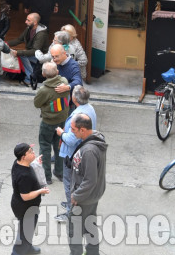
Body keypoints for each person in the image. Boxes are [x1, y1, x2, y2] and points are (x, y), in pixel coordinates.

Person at [55, 85, 96, 222]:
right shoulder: (90, 109)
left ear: (74, 98)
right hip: (83, 151)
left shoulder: (76, 117)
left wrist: (62, 134)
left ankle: (70, 213)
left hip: (73, 155)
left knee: (69, 184)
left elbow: (71, 140)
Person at [68, 114, 107, 255]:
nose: (71, 131)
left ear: (83, 130)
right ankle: (92, 252)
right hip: (92, 196)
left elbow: (90, 180)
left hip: (84, 197)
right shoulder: (94, 139)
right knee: (90, 223)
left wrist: (76, 196)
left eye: (73, 129)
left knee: (74, 231)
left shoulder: (89, 151)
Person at [33, 61, 69, 185]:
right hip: (62, 120)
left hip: (48, 122)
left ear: (43, 74)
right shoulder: (64, 82)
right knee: (59, 146)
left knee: (45, 147)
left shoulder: (44, 90)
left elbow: (37, 103)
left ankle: (46, 176)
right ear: (57, 72)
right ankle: (59, 172)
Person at [10, 143, 50, 255]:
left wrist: (35, 162)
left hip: (21, 205)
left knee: (27, 231)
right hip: (26, 208)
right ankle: (17, 252)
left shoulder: (18, 163)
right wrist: (40, 191)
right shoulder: (24, 175)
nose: (33, 153)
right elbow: (25, 196)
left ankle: (28, 248)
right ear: (23, 157)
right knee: (25, 233)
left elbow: (29, 165)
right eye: (30, 152)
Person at [8, 13, 49, 87]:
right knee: (22, 54)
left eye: (28, 20)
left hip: (41, 57)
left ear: (35, 22)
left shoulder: (41, 34)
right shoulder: (29, 28)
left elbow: (35, 51)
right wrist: (6, 44)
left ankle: (30, 79)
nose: (25, 22)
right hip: (33, 55)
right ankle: (30, 74)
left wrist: (18, 52)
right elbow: (19, 39)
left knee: (22, 55)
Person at [50, 44, 82, 111]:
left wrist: (67, 87)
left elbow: (78, 81)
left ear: (64, 53)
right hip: (56, 100)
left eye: (56, 56)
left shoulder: (73, 65)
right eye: (53, 57)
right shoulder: (54, 63)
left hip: (68, 103)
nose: (54, 59)